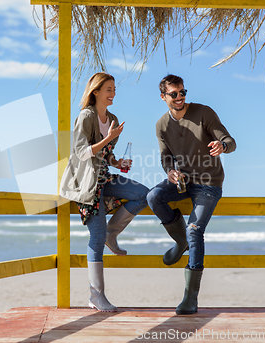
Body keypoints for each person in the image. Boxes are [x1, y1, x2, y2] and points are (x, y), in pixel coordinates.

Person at [147, 74, 236, 315]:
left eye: (183, 92)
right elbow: (166, 157)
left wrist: (223, 146)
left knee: (195, 229)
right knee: (153, 196)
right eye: (174, 94)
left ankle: (190, 298)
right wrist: (171, 172)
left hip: (209, 183)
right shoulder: (161, 125)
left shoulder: (203, 113)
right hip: (183, 182)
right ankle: (180, 240)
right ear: (163, 96)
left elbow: (230, 140)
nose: (180, 97)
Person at [60, 72, 149, 312]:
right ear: (95, 91)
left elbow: (103, 155)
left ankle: (113, 232)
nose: (113, 93)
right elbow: (80, 152)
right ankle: (96, 296)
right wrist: (108, 138)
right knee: (95, 238)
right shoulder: (86, 116)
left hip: (104, 176)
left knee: (143, 194)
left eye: (114, 89)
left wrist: (117, 162)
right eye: (108, 89)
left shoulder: (112, 118)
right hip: (85, 182)